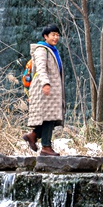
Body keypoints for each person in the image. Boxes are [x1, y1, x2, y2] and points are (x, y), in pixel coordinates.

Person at [23, 25, 66, 156]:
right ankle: (46, 147)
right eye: (53, 34)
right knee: (48, 118)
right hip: (44, 89)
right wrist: (45, 83)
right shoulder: (42, 50)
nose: (56, 37)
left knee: (51, 118)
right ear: (45, 36)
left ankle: (33, 135)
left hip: (52, 90)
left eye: (57, 35)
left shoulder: (52, 50)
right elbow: (41, 68)